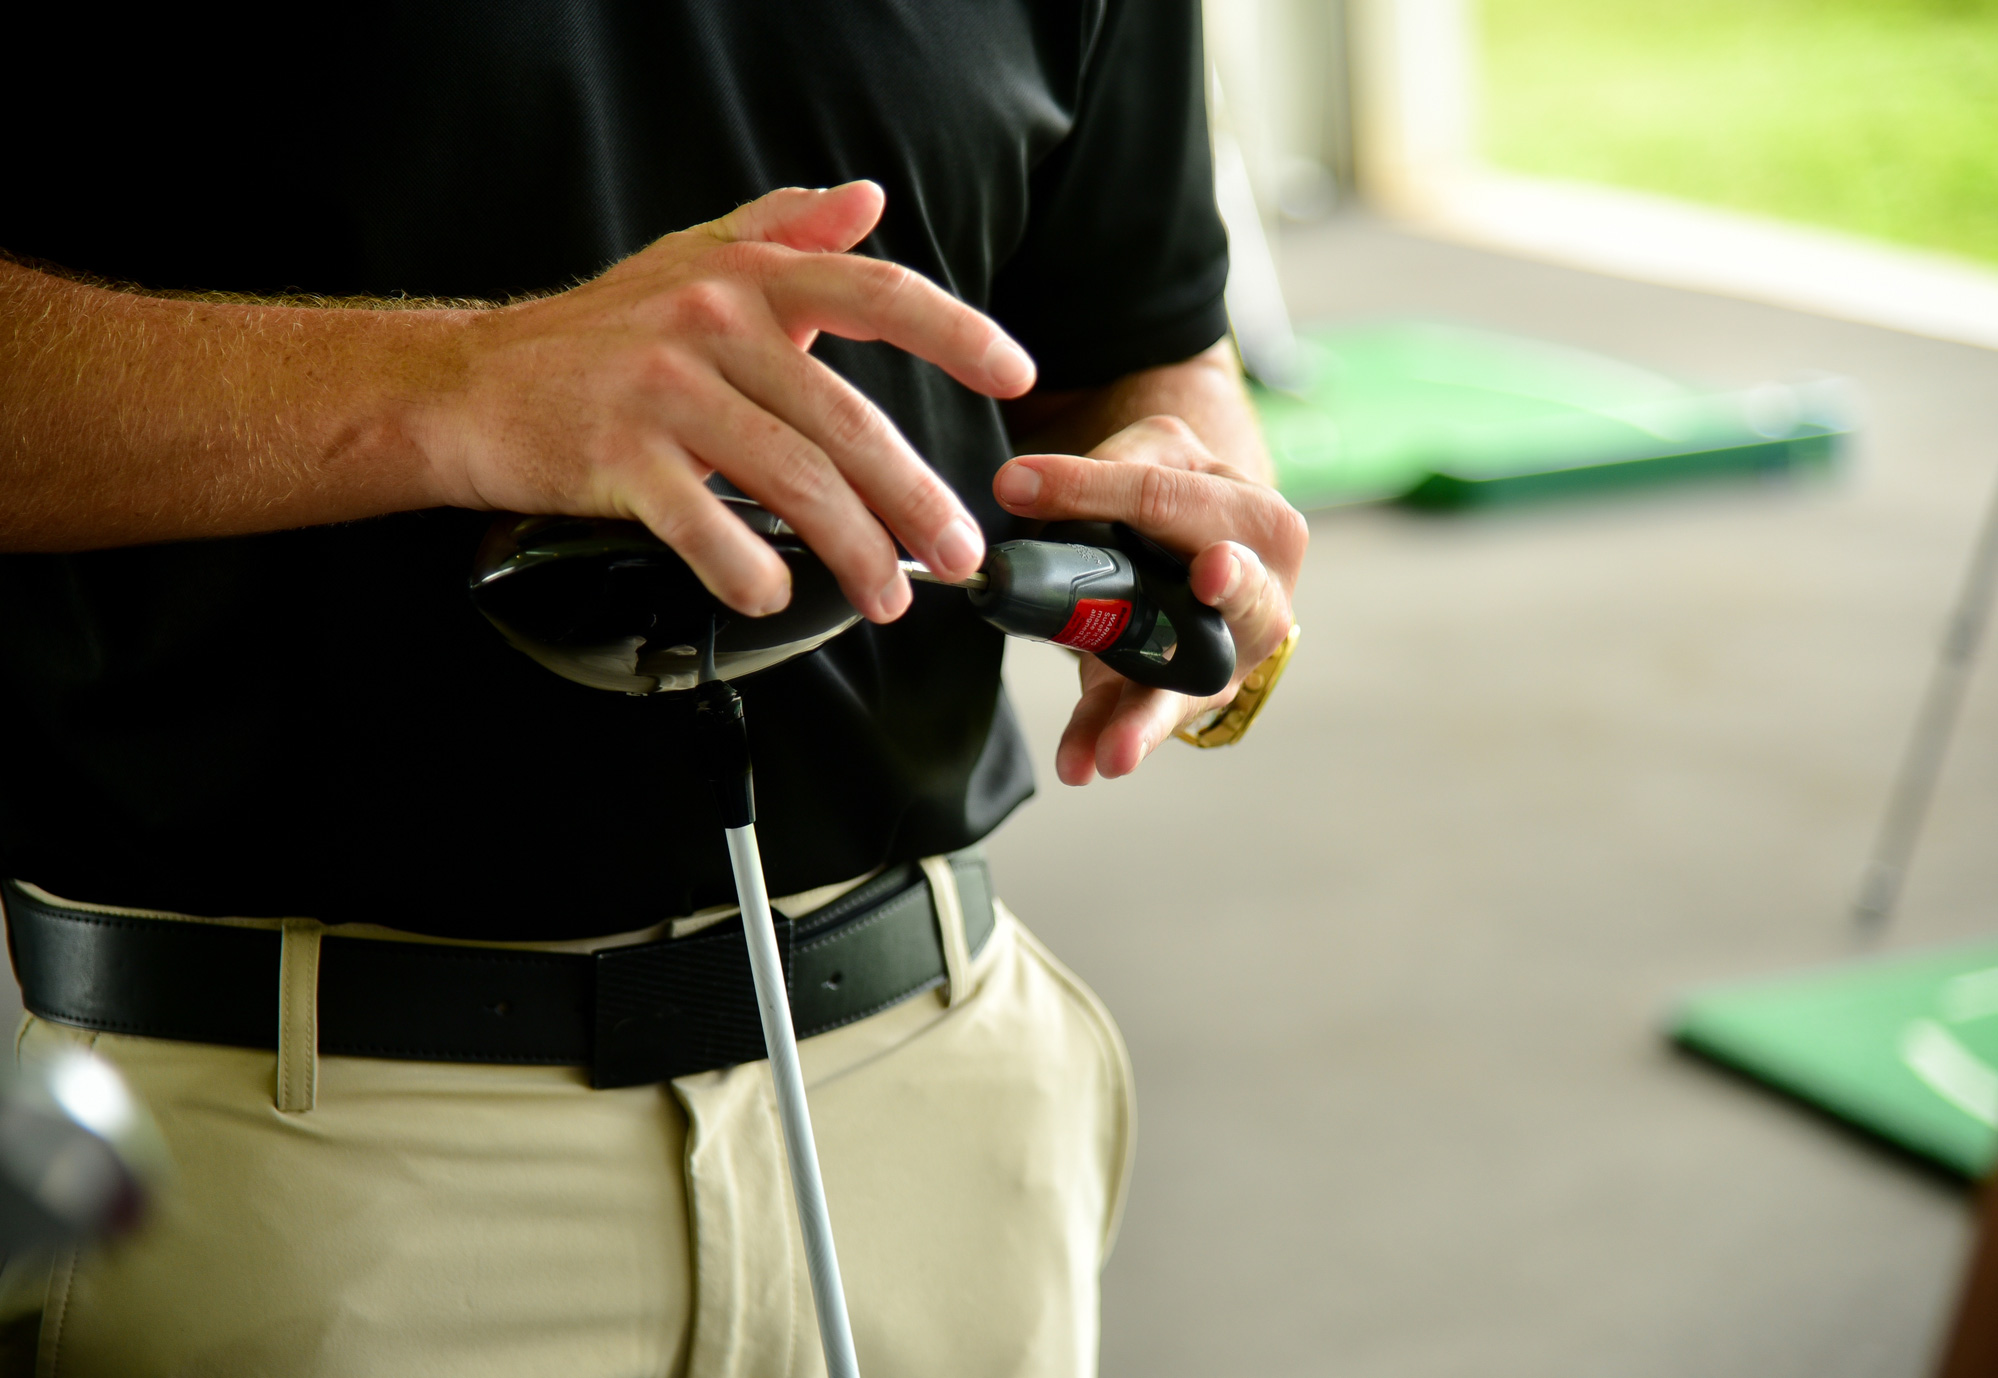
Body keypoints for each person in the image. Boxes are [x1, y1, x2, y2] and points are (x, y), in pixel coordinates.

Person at [0, 3, 1306, 1374]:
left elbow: (1148, 346)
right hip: (304, 1164)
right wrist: (457, 383)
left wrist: (1201, 506)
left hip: (940, 1094)